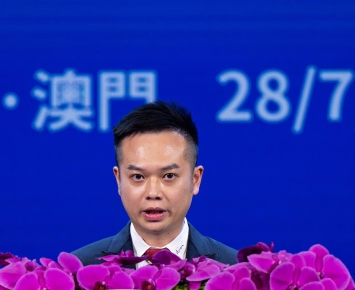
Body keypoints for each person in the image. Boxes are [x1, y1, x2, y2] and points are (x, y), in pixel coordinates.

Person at [72, 101, 238, 266]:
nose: (153, 193)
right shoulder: (81, 269)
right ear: (119, 180)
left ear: (195, 179)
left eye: (169, 176)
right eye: (138, 177)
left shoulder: (232, 268)